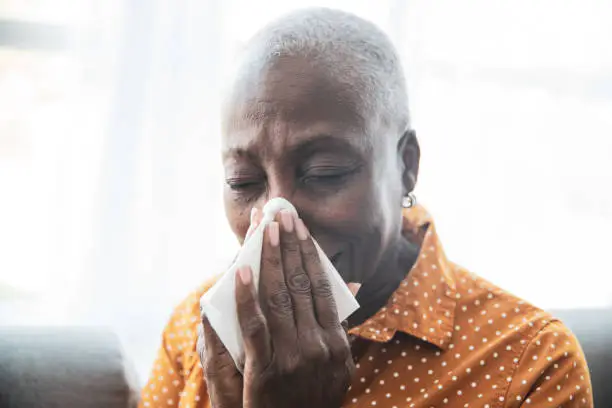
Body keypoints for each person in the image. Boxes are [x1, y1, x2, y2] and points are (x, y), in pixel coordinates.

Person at [139, 8, 593, 408]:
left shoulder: (528, 363)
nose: (276, 217)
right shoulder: (195, 332)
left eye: (325, 172)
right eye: (244, 182)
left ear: (406, 167)